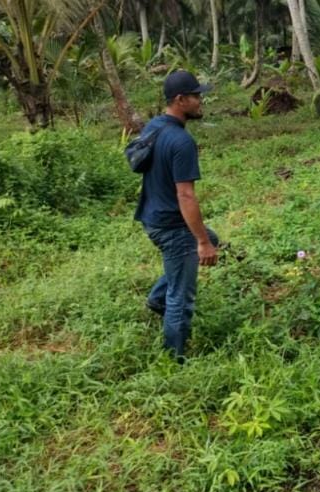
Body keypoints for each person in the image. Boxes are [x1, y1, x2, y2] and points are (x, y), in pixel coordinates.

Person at [135, 70, 218, 363]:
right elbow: (186, 196)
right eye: (196, 96)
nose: (200, 101)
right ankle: (174, 362)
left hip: (151, 217)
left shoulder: (154, 127)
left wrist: (208, 239)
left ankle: (158, 298)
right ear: (180, 100)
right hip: (172, 225)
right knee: (181, 299)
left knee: (213, 238)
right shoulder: (181, 142)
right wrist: (201, 242)